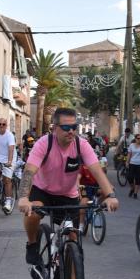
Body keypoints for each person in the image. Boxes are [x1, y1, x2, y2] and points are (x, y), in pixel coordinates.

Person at [18, 107, 119, 265]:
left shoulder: (81, 145)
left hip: (68, 194)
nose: (71, 131)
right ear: (55, 127)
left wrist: (110, 196)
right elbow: (29, 171)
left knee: (73, 242)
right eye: (66, 127)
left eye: (74, 127)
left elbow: (97, 171)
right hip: (42, 190)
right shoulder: (44, 144)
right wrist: (24, 197)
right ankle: (31, 244)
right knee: (33, 213)